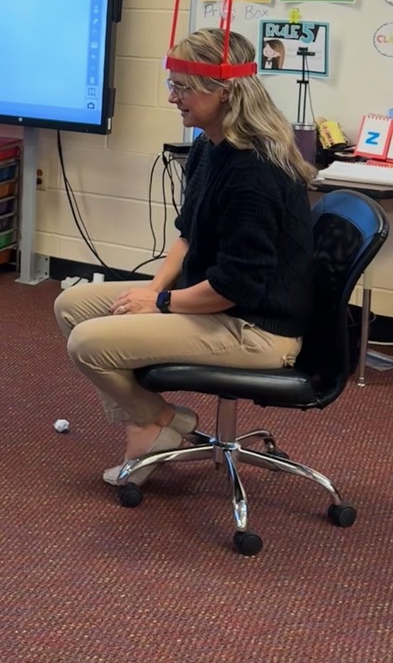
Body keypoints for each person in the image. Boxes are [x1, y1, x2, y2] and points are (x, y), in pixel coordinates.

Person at [54, 28, 316, 487]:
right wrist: (155, 288)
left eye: (183, 87)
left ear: (225, 91)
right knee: (71, 306)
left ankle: (153, 426)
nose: (172, 97)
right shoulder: (207, 147)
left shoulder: (253, 173)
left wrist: (159, 303)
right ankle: (156, 420)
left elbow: (235, 286)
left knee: (88, 343)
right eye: (171, 83)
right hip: (216, 299)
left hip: (256, 326)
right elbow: (188, 236)